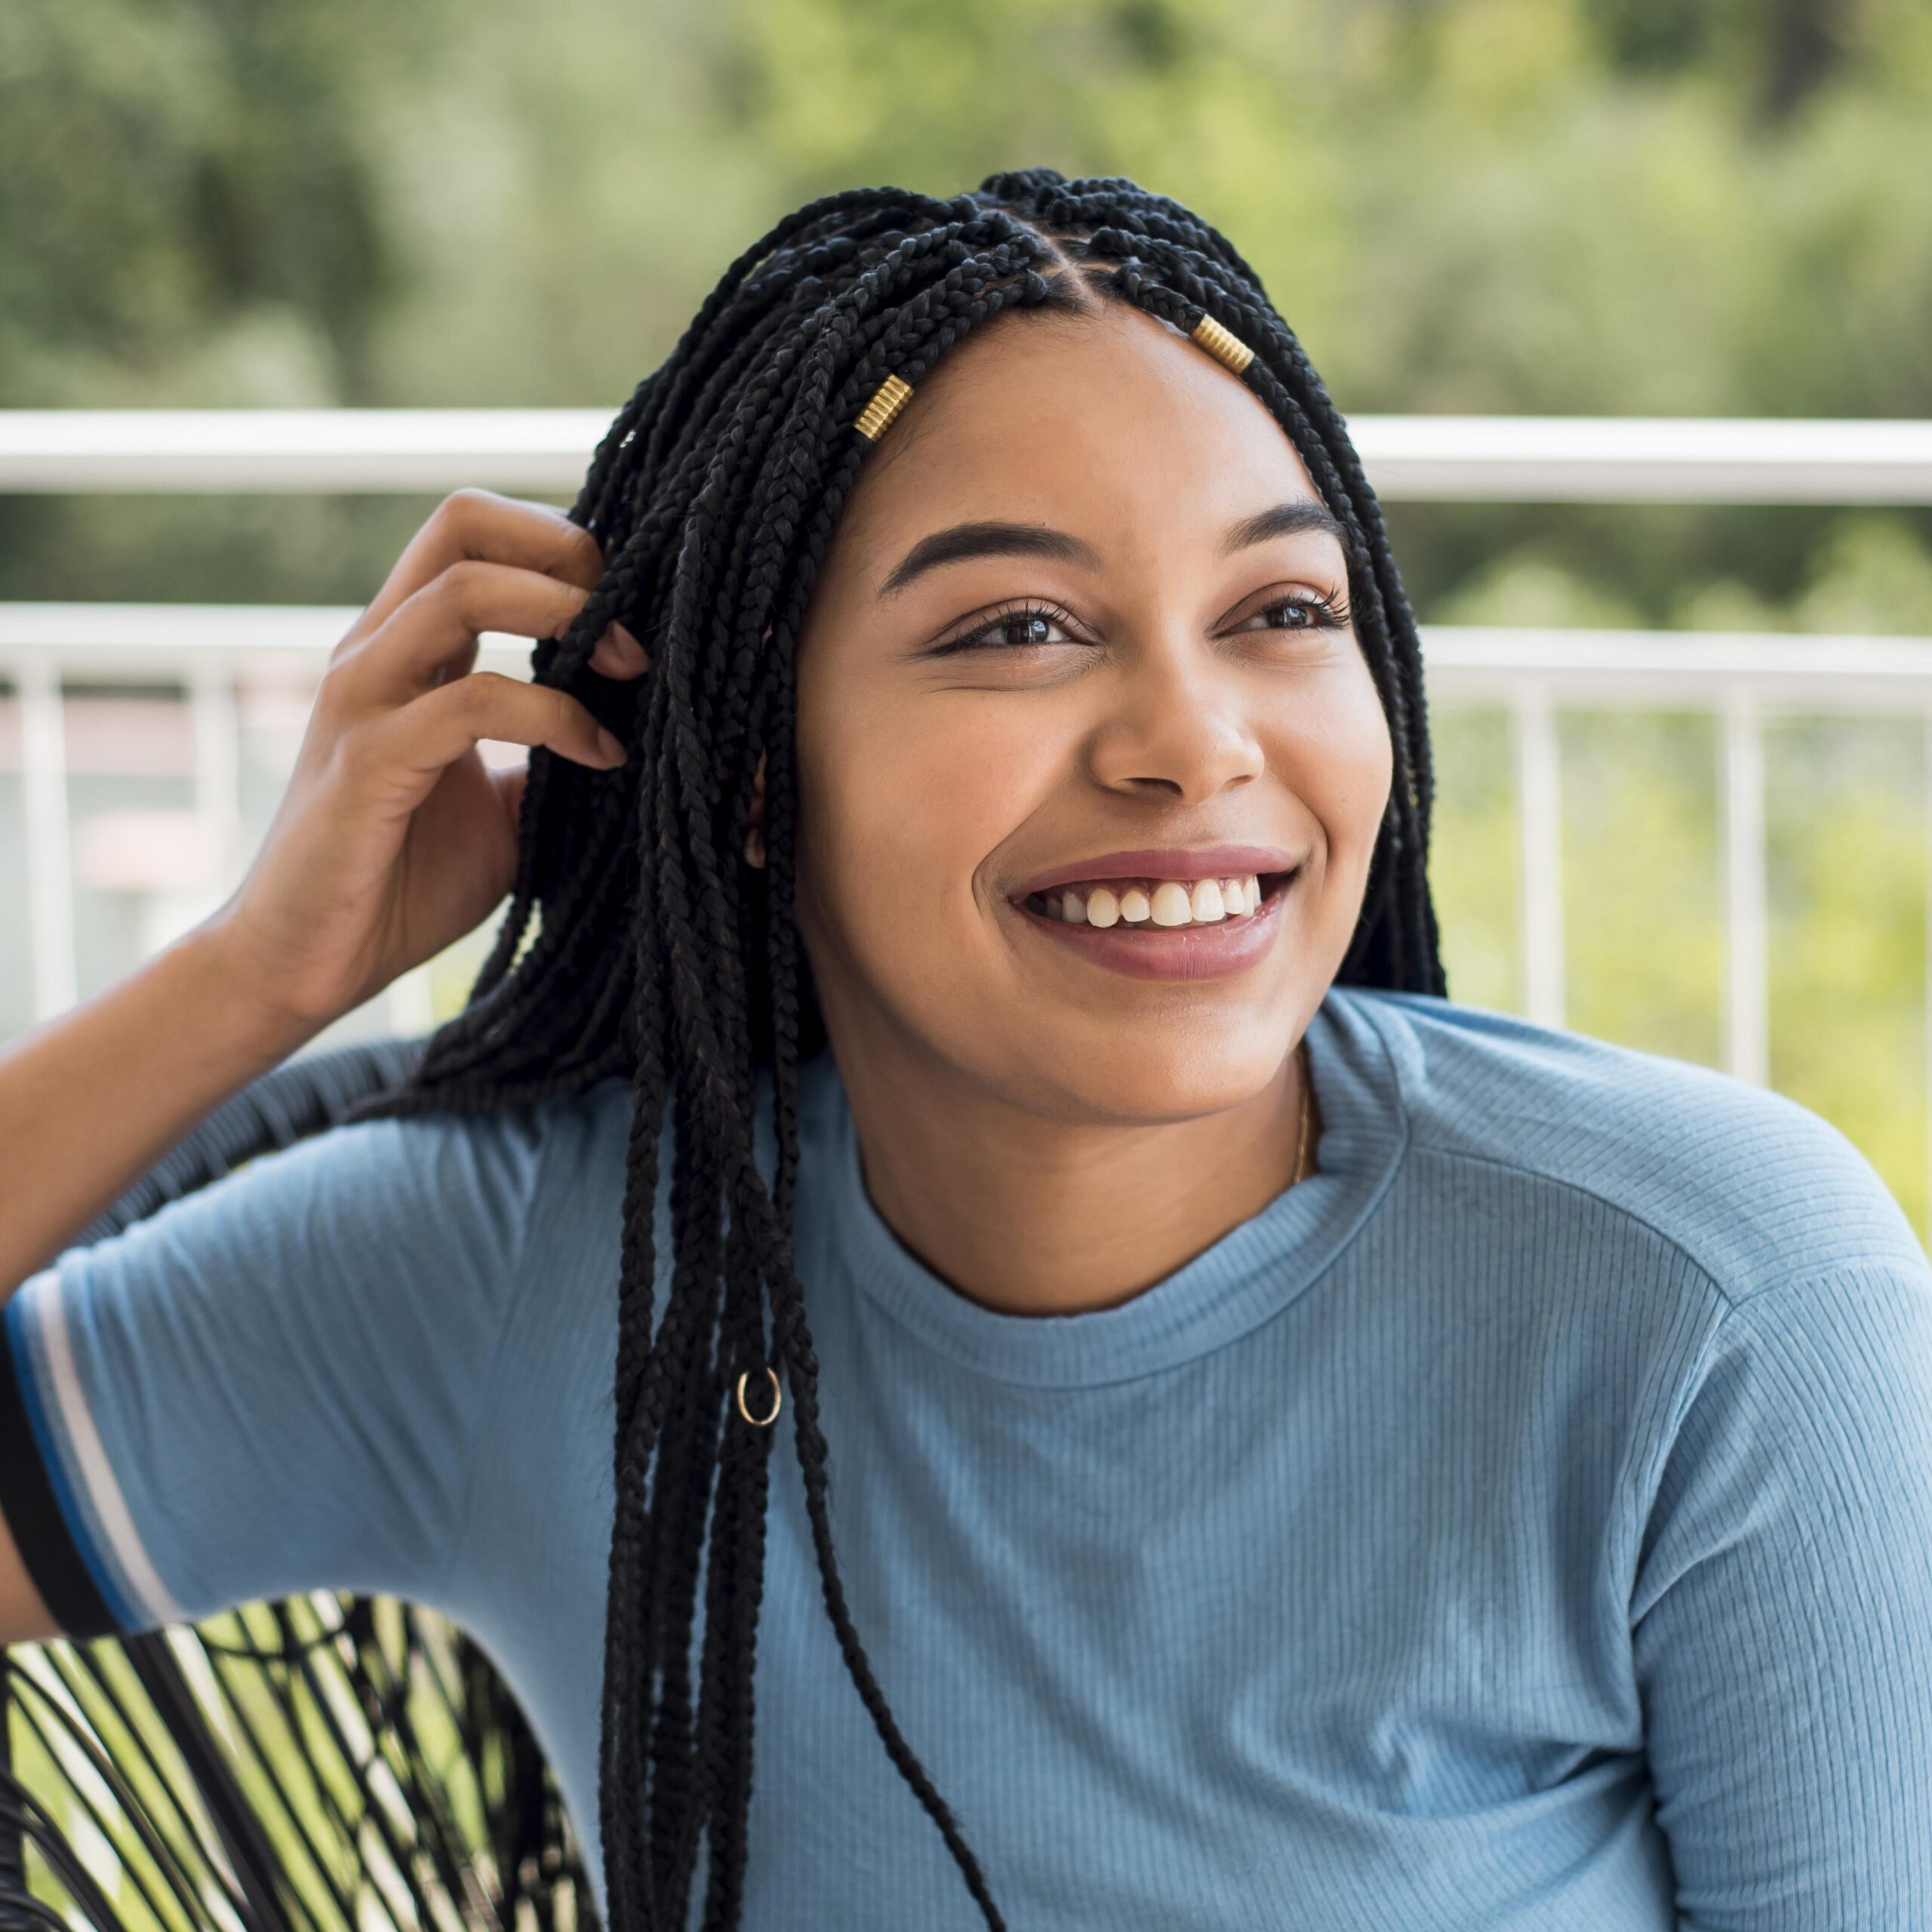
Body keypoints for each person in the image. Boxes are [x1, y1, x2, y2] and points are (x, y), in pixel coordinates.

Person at [0, 168, 1927, 1932]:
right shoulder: (553, 1266)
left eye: (1278, 606)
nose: (1190, 740)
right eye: (1018, 625)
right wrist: (255, 974)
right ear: (752, 769)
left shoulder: (1716, 1301)